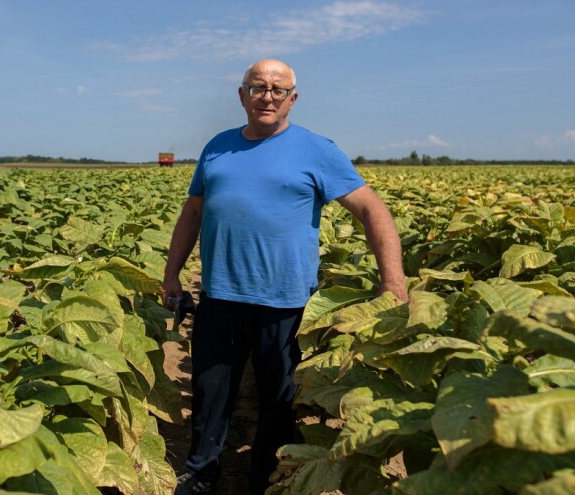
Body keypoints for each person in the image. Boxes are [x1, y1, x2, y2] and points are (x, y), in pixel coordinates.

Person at [161, 58, 408, 495]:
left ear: (293, 98)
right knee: (210, 391)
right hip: (220, 295)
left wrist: (394, 283)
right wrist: (172, 273)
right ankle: (202, 472)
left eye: (278, 89)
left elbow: (373, 209)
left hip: (285, 302)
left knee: (278, 399)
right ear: (242, 96)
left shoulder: (317, 149)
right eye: (258, 87)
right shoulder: (217, 147)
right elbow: (193, 212)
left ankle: (266, 478)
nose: (268, 96)